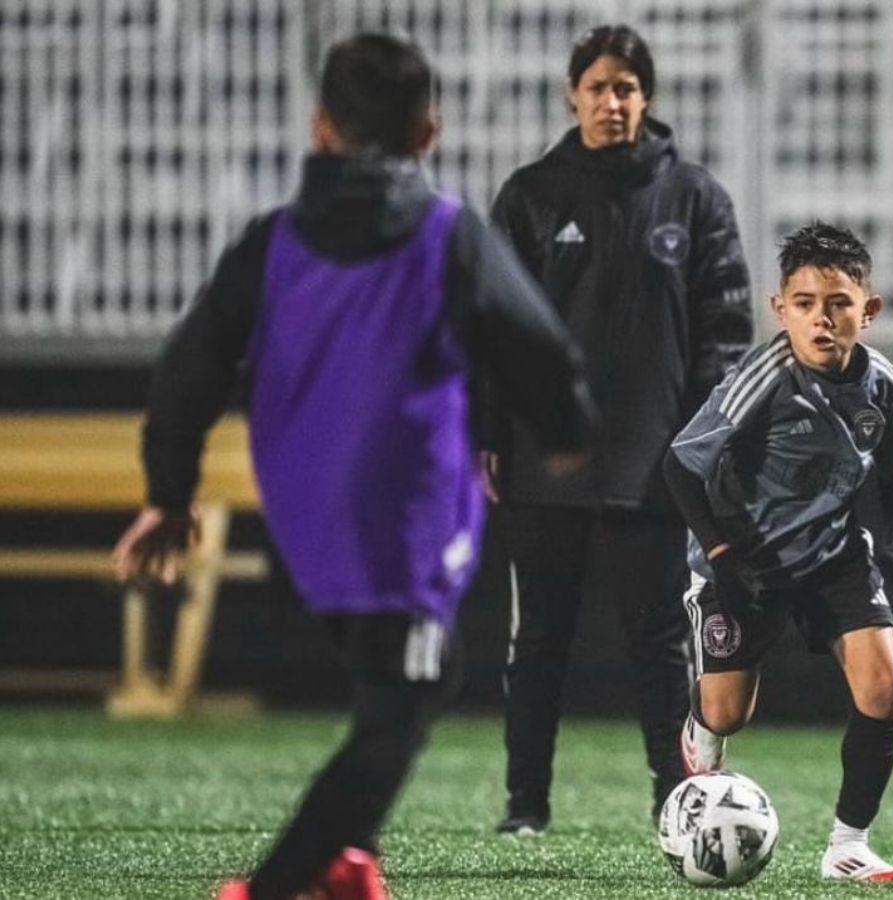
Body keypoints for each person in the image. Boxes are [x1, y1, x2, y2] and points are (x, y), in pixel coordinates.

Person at [111, 34, 594, 900]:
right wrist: (567, 427)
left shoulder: (272, 243)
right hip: (403, 516)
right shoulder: (449, 237)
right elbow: (536, 346)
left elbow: (191, 365)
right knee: (408, 701)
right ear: (428, 133)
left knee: (385, 685)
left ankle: (348, 867)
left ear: (320, 129)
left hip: (304, 517)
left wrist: (168, 493)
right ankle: (274, 888)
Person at [485, 23, 754, 834]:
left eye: (627, 88)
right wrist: (492, 431)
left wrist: (701, 445)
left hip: (655, 461)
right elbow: (496, 328)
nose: (613, 101)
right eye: (599, 87)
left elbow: (726, 332)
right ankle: (525, 807)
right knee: (538, 644)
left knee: (662, 646)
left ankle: (675, 803)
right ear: (573, 95)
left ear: (648, 99)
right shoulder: (530, 195)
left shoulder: (696, 198)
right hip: (547, 462)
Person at [662, 222, 893, 882]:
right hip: (744, 558)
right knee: (726, 712)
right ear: (781, 311)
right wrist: (722, 557)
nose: (821, 319)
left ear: (869, 310)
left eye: (837, 302)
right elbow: (683, 466)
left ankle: (848, 846)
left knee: (884, 685)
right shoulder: (764, 377)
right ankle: (702, 733)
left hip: (833, 555)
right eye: (804, 304)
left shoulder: (884, 388)